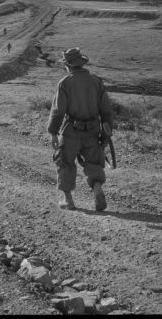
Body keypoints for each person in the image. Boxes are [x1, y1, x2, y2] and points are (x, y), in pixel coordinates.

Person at [48, 48, 113, 212]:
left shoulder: (65, 83)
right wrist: (106, 132)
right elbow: (106, 110)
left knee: (65, 162)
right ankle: (97, 187)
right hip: (92, 130)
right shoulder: (96, 81)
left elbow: (58, 111)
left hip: (71, 131)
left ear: (68, 65)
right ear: (81, 63)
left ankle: (68, 200)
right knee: (93, 162)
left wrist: (53, 132)